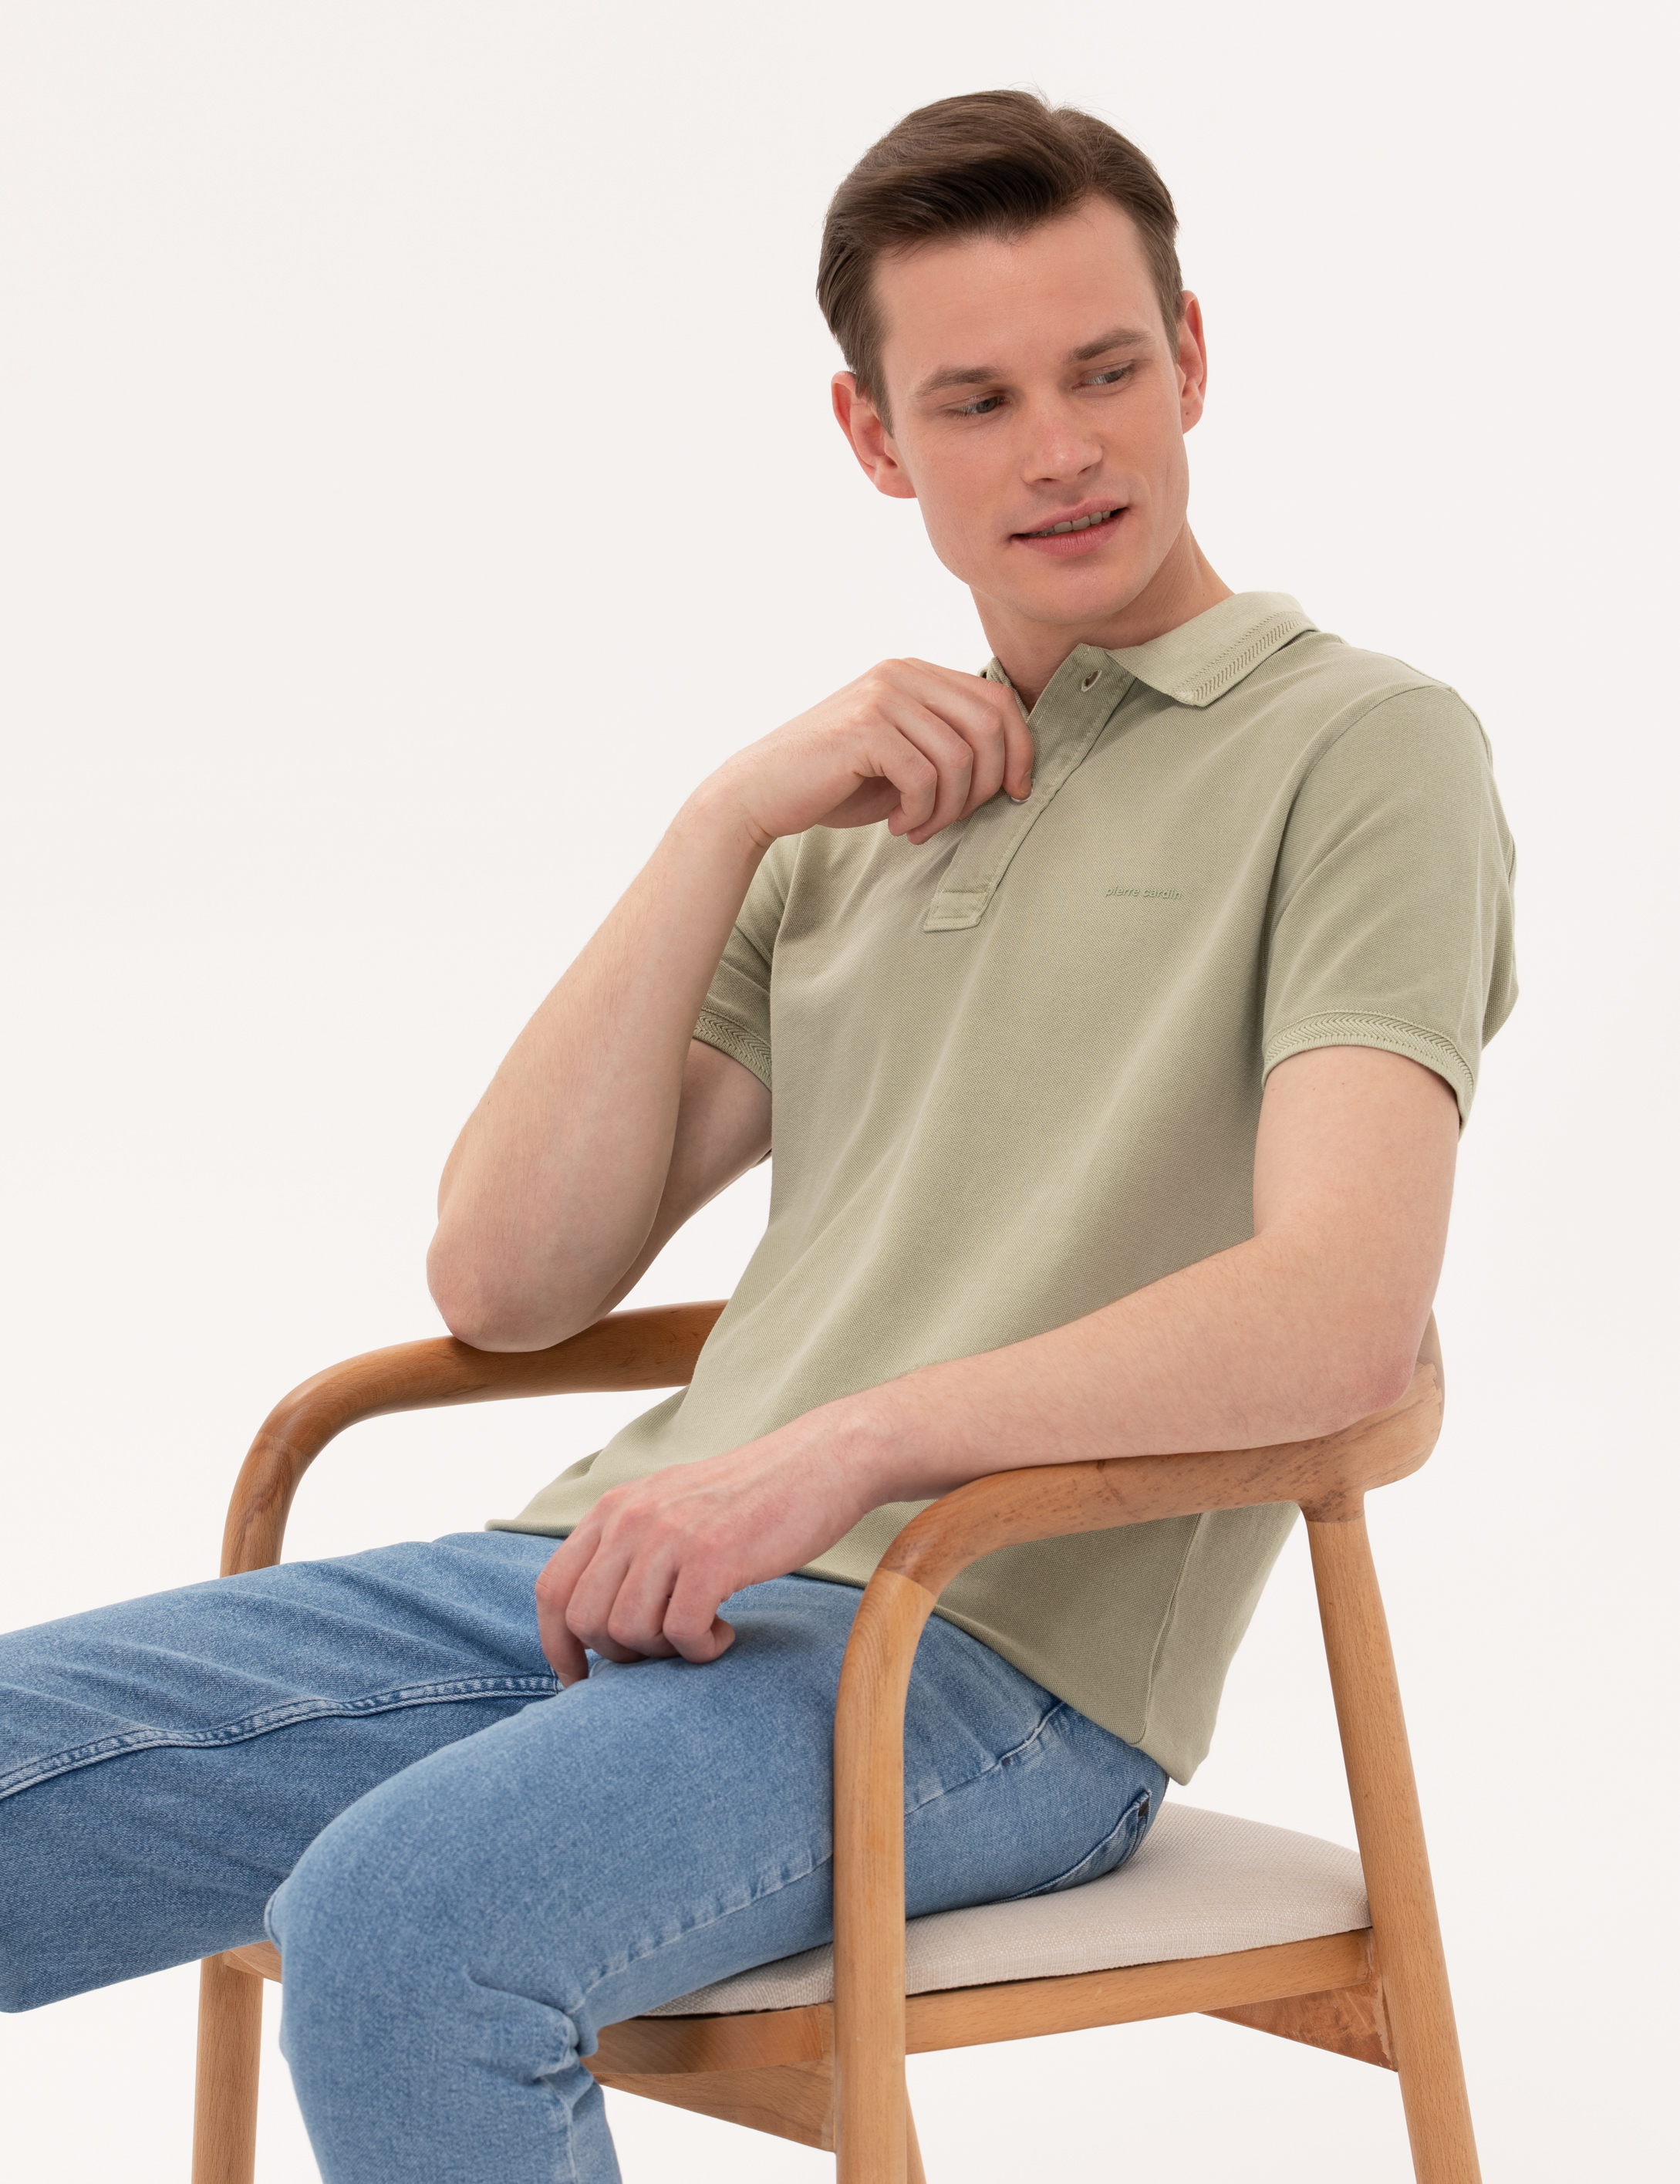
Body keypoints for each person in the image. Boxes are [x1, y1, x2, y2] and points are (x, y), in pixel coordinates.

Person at [0, 89, 1516, 2183]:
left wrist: (839, 1450)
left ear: (1191, 359)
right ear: (875, 439)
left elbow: (1341, 1308)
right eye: (976, 400)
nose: (1059, 449)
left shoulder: (1360, 748)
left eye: (1102, 370)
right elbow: (508, 1275)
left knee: (412, 1927)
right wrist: (721, 820)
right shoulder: (855, 816)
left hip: (985, 1654)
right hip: (612, 1579)